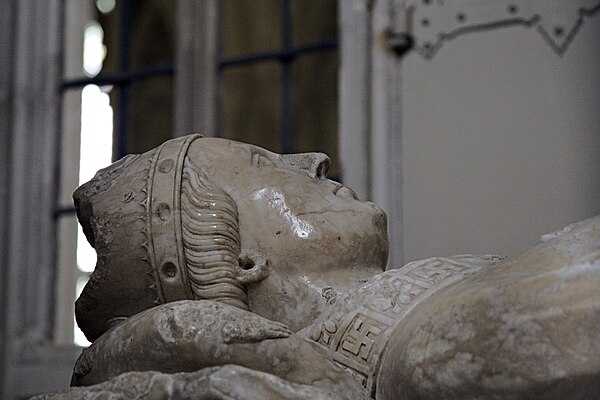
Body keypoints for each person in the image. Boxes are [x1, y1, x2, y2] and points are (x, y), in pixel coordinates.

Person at [66, 135, 600, 399]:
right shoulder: (428, 344)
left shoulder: (418, 325)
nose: (312, 160)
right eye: (264, 164)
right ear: (246, 260)